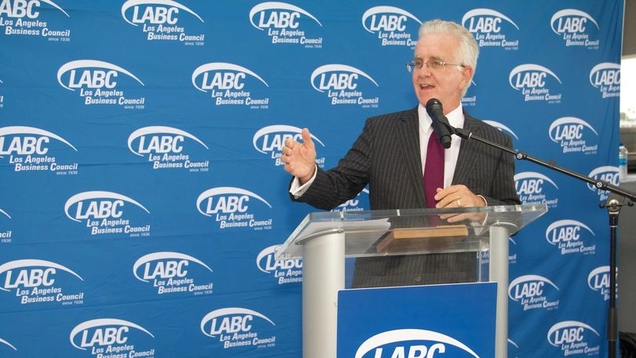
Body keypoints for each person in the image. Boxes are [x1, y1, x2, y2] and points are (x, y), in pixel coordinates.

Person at [281, 19, 520, 288]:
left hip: (457, 287)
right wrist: (309, 174)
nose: (423, 72)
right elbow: (337, 189)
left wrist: (479, 206)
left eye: (436, 63)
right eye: (418, 62)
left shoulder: (492, 140)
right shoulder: (381, 130)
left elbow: (512, 214)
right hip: (384, 287)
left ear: (465, 74)